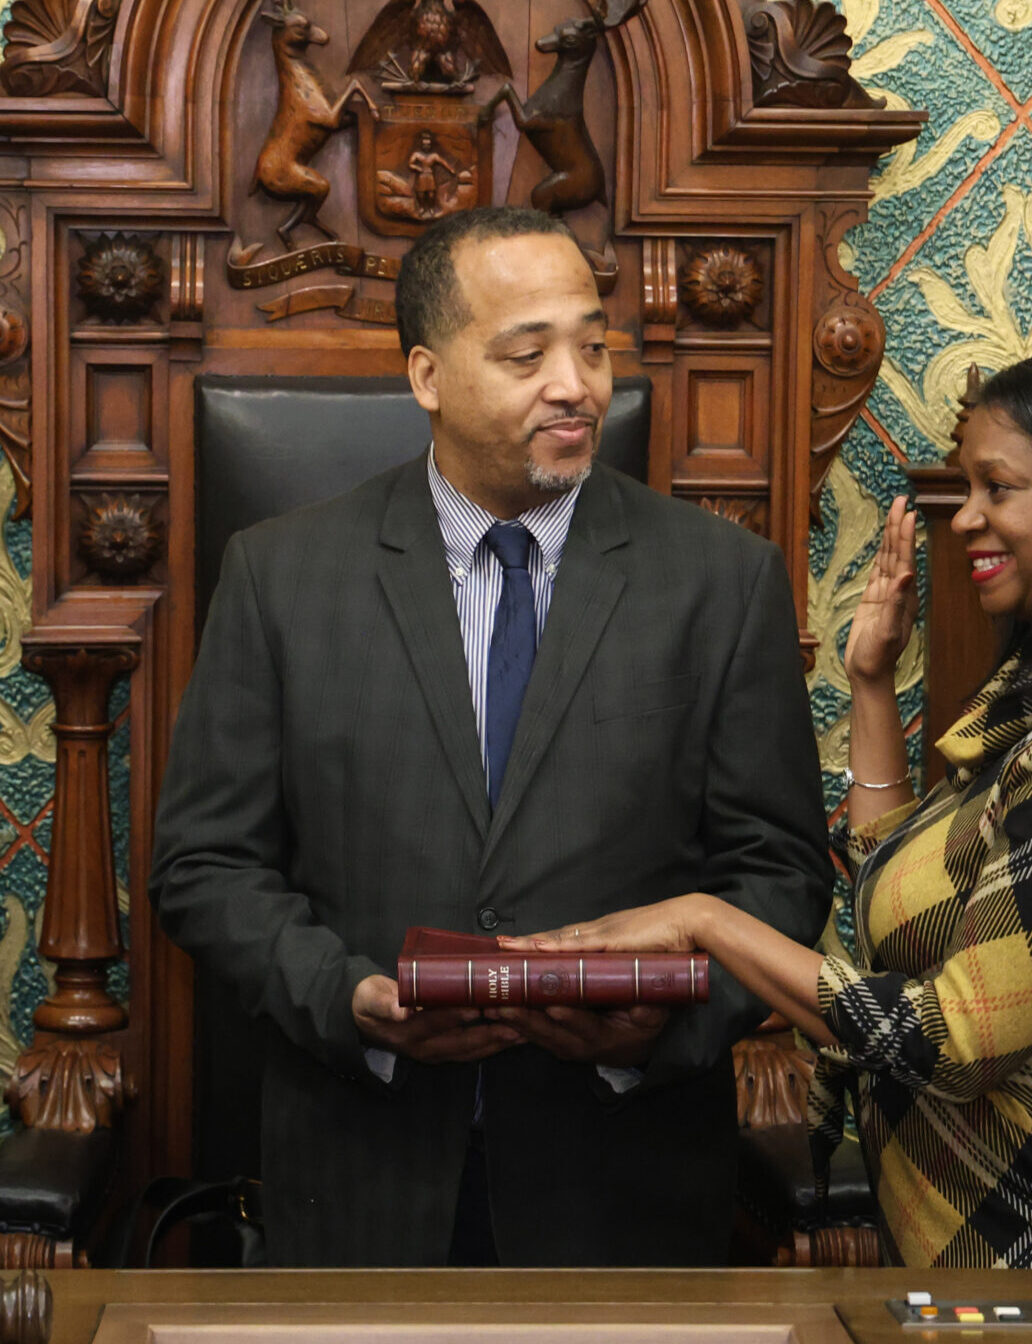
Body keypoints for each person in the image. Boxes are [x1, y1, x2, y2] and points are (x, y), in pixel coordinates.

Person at [507, 340, 1032, 1340]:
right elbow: (907, 911)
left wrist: (703, 920)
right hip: (979, 1218)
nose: (967, 518)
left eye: (1000, 487)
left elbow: (944, 1041)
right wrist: (870, 685)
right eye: (966, 485)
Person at [150, 206, 831, 1267]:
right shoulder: (282, 577)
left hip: (623, 1186)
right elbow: (203, 866)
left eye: (593, 347)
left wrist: (655, 1035)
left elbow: (778, 874)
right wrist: (347, 997)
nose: (575, 384)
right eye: (527, 353)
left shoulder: (718, 583)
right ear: (427, 376)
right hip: (361, 1180)